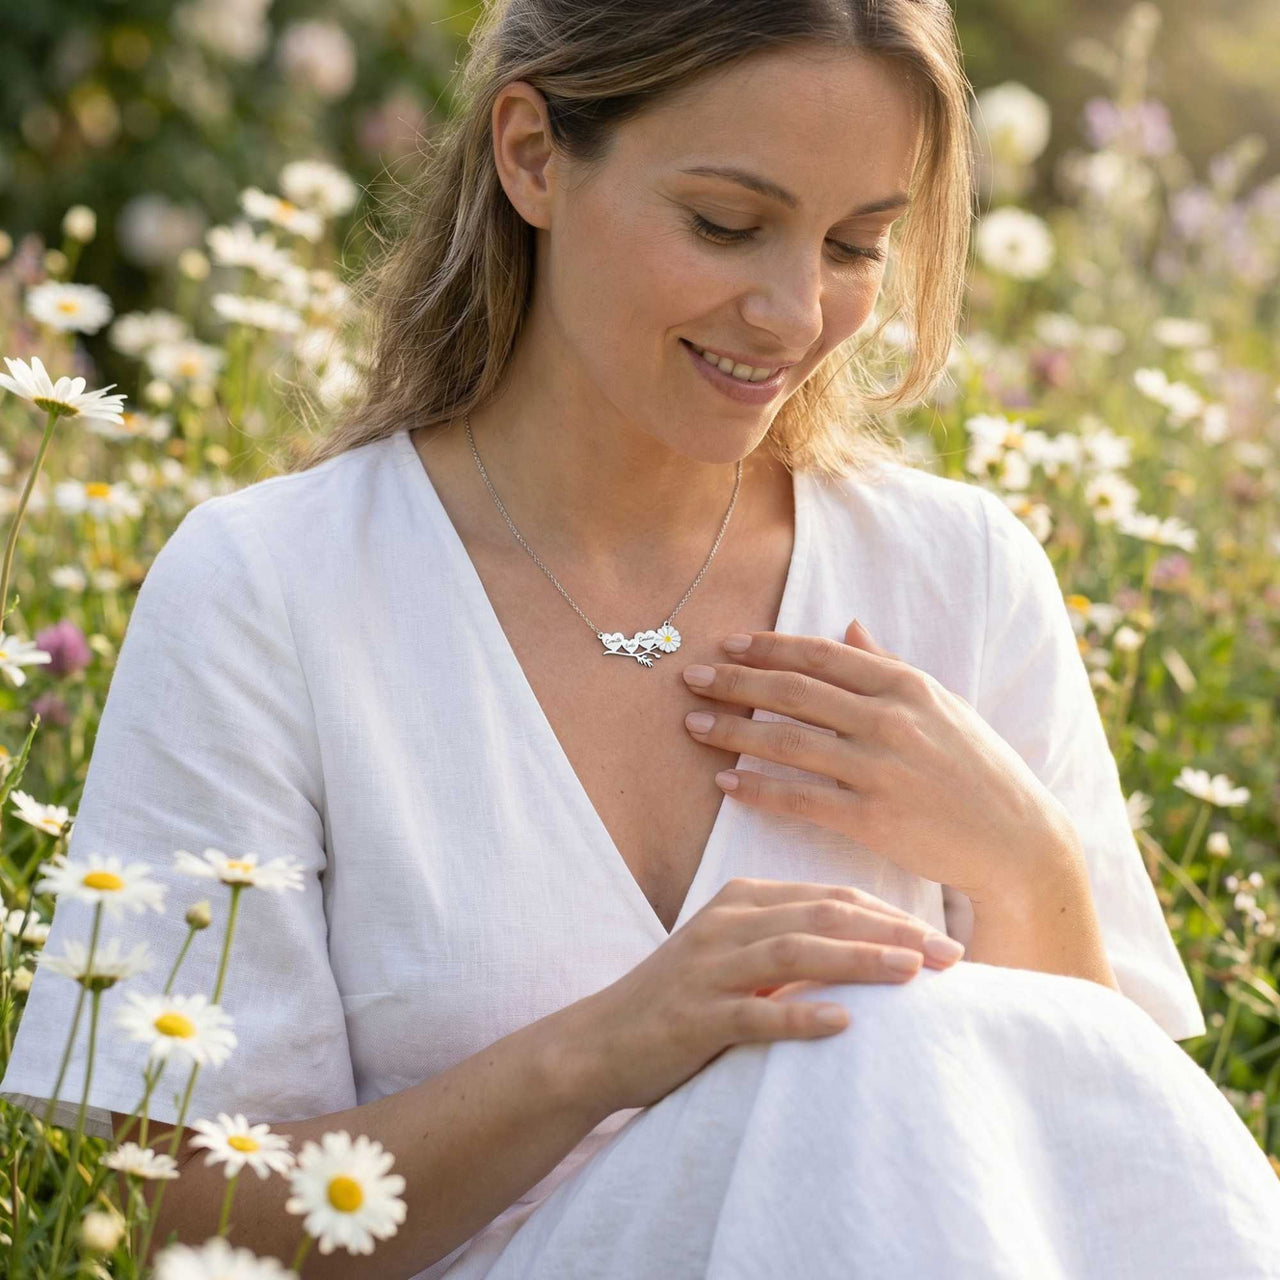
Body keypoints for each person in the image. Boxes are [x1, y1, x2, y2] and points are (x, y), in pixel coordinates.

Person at [6, 0, 1280, 1276]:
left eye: (854, 244)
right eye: (725, 224)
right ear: (533, 155)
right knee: (876, 1035)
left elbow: (1105, 1170)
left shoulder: (957, 574)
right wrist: (607, 1048)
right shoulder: (270, 591)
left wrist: (1026, 866)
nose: (793, 312)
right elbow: (189, 1220)